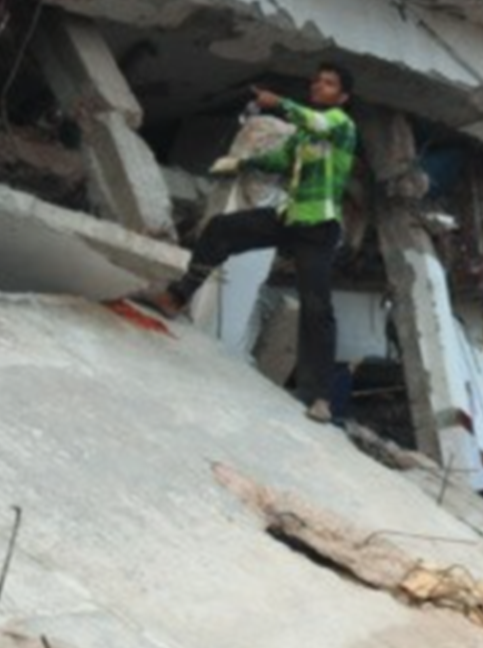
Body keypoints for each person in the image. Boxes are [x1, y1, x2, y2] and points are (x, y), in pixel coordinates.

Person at [139, 64, 358, 422]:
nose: (319, 85)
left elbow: (316, 121)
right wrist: (240, 164)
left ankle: (320, 398)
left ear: (343, 97)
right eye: (317, 79)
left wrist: (277, 102)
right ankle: (176, 297)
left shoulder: (341, 127)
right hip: (290, 217)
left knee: (317, 307)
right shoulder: (304, 137)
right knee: (220, 229)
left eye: (329, 83)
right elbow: (280, 160)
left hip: (319, 227)